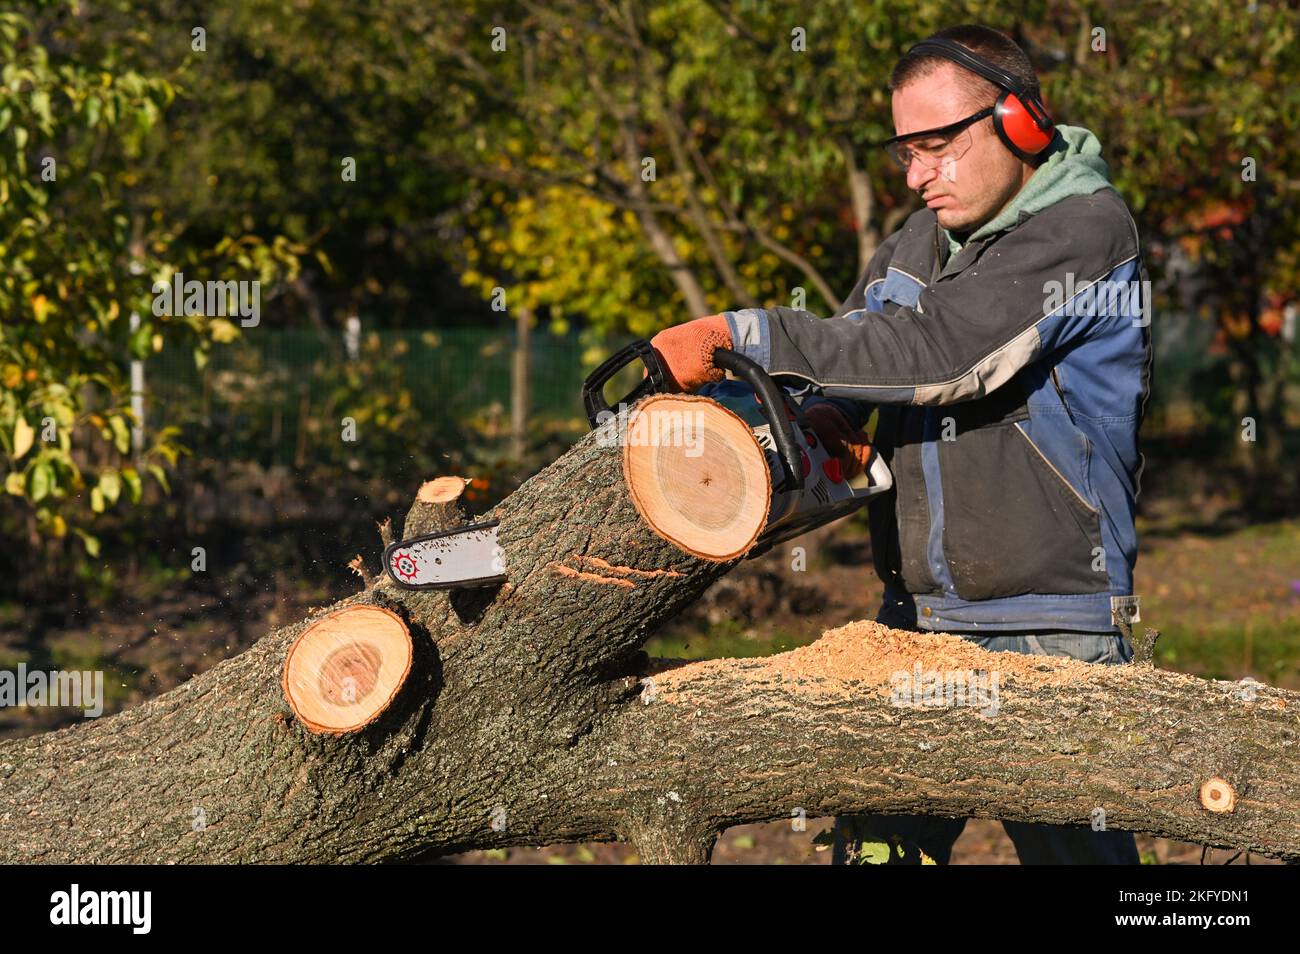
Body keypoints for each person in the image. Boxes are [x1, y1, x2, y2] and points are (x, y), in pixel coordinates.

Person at [647, 24, 1151, 864]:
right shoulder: (918, 241)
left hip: (1049, 622)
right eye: (906, 153)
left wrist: (743, 331)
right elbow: (859, 345)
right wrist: (804, 414)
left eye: (938, 146)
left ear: (1022, 122)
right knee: (877, 851)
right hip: (917, 619)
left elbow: (941, 356)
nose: (918, 175)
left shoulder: (1086, 234)